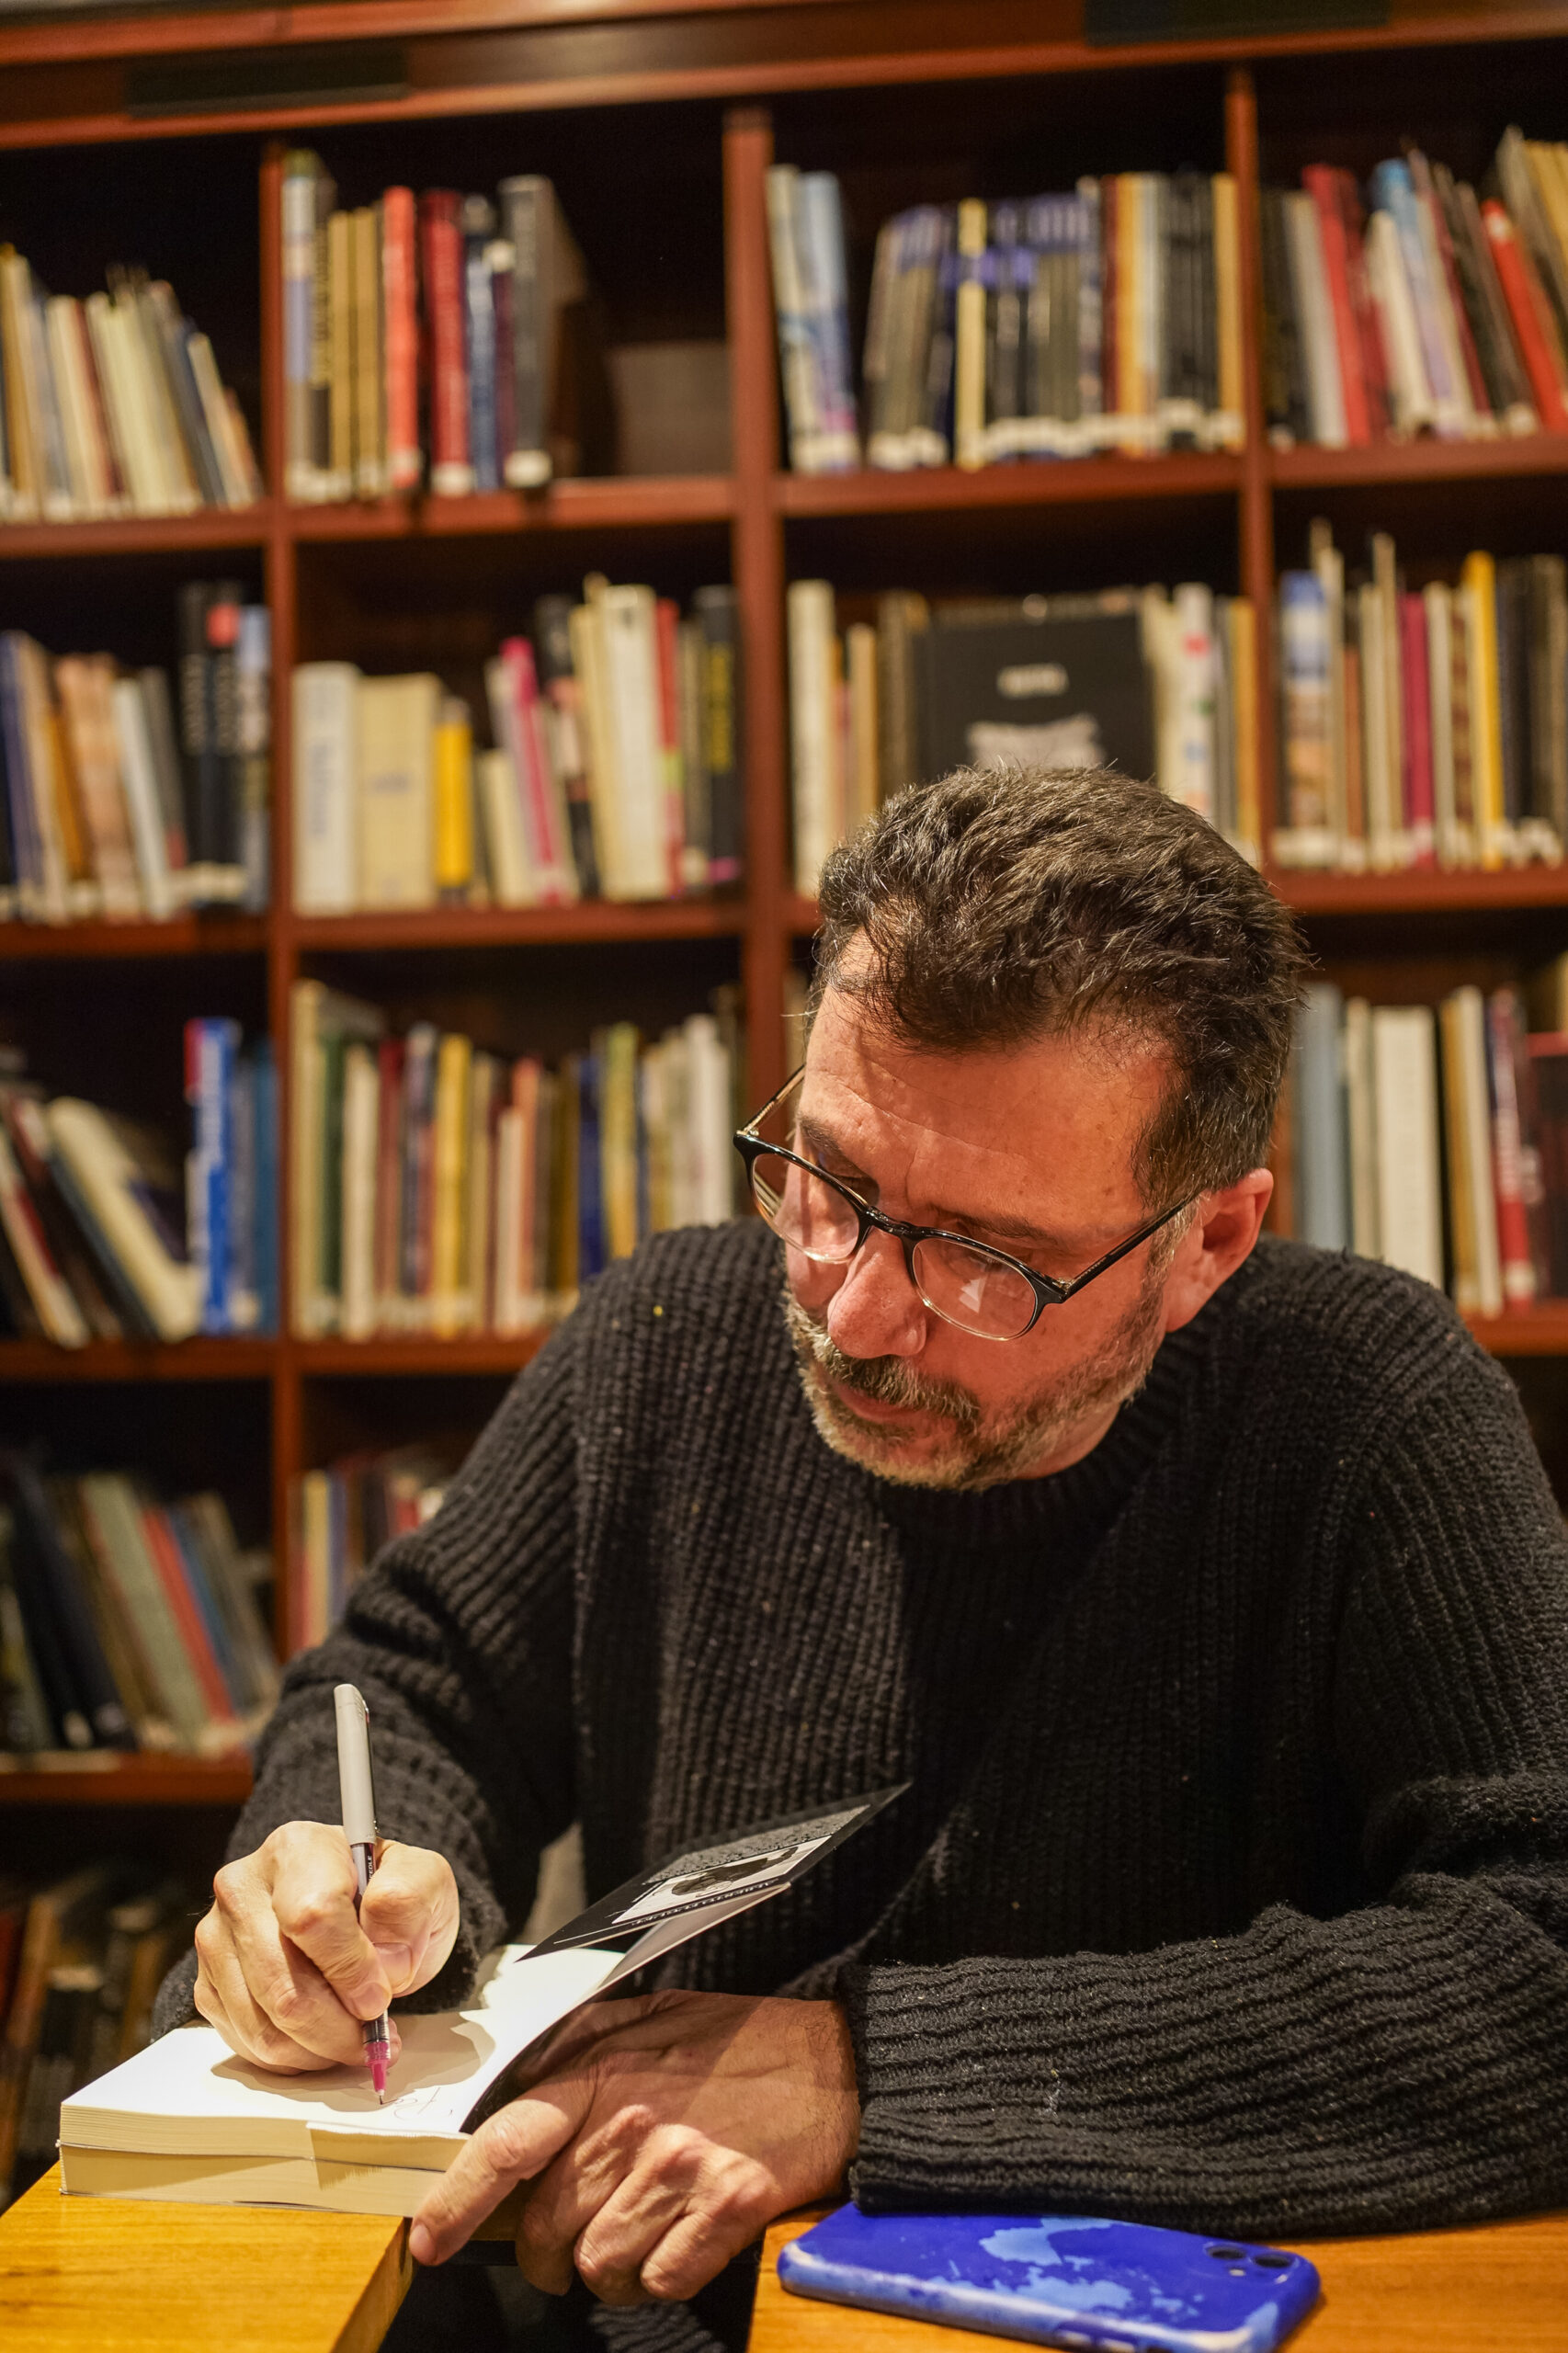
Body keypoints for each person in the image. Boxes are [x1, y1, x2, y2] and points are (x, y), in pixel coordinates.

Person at [155, 767, 1568, 2349]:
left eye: (986, 1258)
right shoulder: (666, 1340)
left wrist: (863, 2074)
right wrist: (341, 1881)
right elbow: (410, 1691)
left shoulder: (1363, 1404)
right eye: (827, 1181)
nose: (854, 1314)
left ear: (1205, 1246)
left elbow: (1541, 1954)